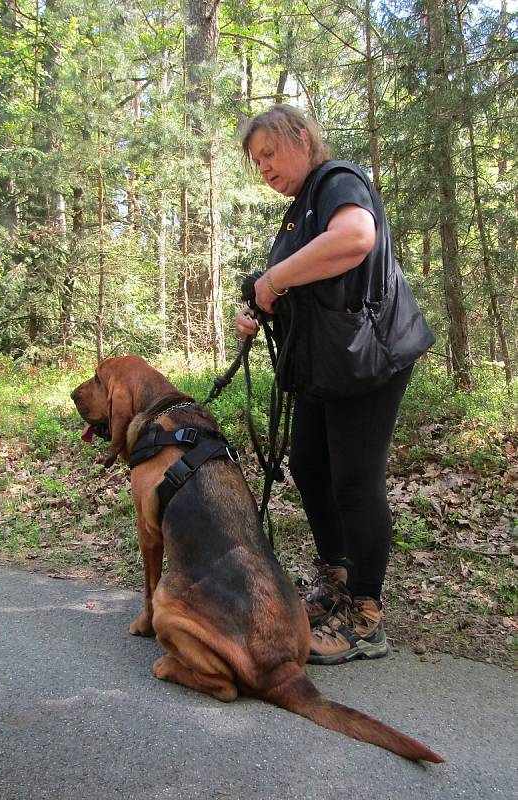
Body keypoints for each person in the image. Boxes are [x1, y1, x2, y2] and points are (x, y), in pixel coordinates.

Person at [235, 104, 433, 665]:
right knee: (309, 467)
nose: (265, 168)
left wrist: (273, 278)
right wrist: (264, 306)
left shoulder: (337, 180)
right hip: (326, 364)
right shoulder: (299, 210)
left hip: (369, 360)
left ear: (301, 137)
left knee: (354, 483)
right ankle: (337, 581)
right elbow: (314, 286)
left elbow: (354, 239)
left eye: (270, 153)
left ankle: (366, 618)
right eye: (257, 163)